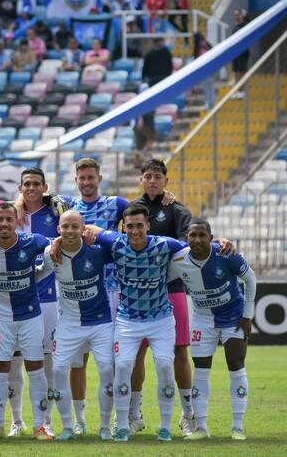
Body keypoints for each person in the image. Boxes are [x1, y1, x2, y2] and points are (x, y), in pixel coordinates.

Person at [80, 204, 188, 442]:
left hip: (160, 319)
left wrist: (220, 243)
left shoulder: (164, 244)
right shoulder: (117, 243)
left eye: (140, 225)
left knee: (163, 366)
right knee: (124, 367)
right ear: (123, 227)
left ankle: (165, 426)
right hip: (127, 321)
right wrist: (64, 239)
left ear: (148, 226)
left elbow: (196, 248)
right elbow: (88, 230)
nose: (135, 230)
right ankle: (122, 424)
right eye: (130, 226)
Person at [0, 204, 54, 441]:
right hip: (1, 319)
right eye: (0, 220)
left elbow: (56, 243)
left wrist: (43, 267)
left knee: (36, 369)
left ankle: (40, 426)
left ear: (17, 222)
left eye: (9, 219)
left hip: (30, 318)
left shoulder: (33, 241)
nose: (4, 224)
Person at [168, 220, 256, 441]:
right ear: (186, 238)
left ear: (211, 237)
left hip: (233, 317)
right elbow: (162, 280)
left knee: (236, 365)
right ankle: (201, 428)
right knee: (201, 369)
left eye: (202, 235)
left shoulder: (227, 254)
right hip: (202, 319)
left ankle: (238, 427)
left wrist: (247, 315)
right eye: (192, 235)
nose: (197, 239)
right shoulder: (179, 260)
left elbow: (250, 279)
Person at [131, 158, 196, 436]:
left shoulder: (177, 209)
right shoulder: (132, 208)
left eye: (158, 176)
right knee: (136, 354)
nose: (153, 180)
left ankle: (188, 414)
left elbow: (186, 247)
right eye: (148, 176)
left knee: (180, 351)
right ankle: (134, 415)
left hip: (172, 291)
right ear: (141, 180)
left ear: (166, 181)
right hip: (137, 293)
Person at [40, 211, 115, 441]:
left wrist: (99, 234)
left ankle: (104, 425)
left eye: (75, 227)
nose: (70, 231)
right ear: (58, 230)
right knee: (59, 371)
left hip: (101, 321)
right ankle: (68, 427)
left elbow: (122, 244)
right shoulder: (50, 253)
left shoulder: (97, 250)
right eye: (66, 227)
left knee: (106, 370)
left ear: (83, 229)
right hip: (69, 323)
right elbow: (40, 274)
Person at [13, 167, 70, 432]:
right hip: (14, 300)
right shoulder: (11, 215)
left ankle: (46, 421)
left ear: (45, 187)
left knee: (47, 363)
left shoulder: (56, 212)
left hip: (48, 299)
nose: (32, 188)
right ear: (20, 188)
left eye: (37, 183)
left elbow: (75, 218)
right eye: (27, 184)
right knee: (13, 361)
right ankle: (16, 421)